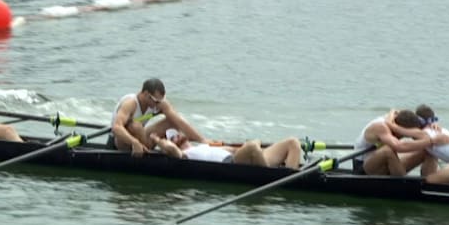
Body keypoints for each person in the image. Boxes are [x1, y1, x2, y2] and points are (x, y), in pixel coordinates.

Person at [109, 78, 206, 157]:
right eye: (156, 101)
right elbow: (117, 128)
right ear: (146, 94)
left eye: (160, 101)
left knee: (172, 122)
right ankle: (147, 150)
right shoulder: (130, 103)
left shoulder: (158, 103)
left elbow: (178, 120)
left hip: (140, 137)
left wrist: (203, 141)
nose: (157, 105)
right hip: (120, 141)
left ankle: (184, 153)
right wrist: (134, 142)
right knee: (136, 126)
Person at [155, 129, 303, 169]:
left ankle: (291, 174)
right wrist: (157, 140)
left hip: (246, 157)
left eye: (177, 133)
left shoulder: (205, 145)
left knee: (292, 142)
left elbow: (233, 149)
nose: (177, 136)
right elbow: (169, 148)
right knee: (252, 146)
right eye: (173, 137)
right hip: (232, 164)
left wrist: (251, 145)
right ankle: (274, 175)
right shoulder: (184, 154)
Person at [352, 109, 432, 176]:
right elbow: (398, 146)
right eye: (402, 135)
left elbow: (395, 110)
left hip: (385, 165)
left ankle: (430, 185)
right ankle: (404, 186)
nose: (402, 137)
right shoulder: (380, 127)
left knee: (428, 150)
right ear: (398, 127)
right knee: (388, 150)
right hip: (363, 167)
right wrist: (431, 141)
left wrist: (432, 126)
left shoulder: (400, 118)